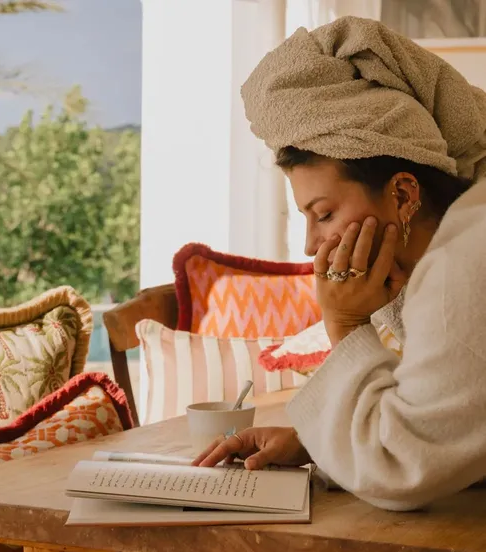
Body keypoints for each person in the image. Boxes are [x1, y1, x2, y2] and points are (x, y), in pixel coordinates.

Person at [196, 16, 486, 511]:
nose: (313, 245)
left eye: (324, 214)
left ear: (402, 191)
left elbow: (398, 467)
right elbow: (455, 429)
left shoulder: (462, 266)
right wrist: (315, 443)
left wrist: (347, 324)